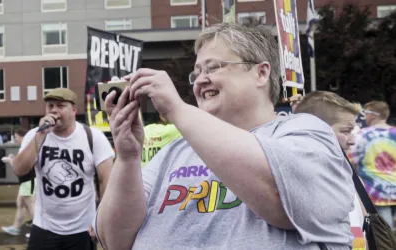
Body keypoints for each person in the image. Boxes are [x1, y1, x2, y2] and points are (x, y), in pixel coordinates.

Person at [94, 23, 355, 249]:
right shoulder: (174, 152)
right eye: (196, 73)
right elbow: (113, 240)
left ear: (261, 73)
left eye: (213, 68)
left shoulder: (306, 132)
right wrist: (128, 158)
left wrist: (177, 109)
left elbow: (278, 198)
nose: (199, 81)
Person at [12, 88, 114, 250]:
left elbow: (106, 180)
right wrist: (40, 135)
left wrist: (101, 218)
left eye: (60, 106)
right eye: (50, 106)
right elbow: (19, 169)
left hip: (82, 228)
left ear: (73, 110)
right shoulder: (34, 135)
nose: (54, 110)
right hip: (44, 227)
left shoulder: (93, 137)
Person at [293, 91, 367, 250]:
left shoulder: (353, 180)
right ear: (314, 129)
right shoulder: (292, 183)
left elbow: (362, 233)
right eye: (346, 131)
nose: (353, 140)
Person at [349, 101, 396, 231]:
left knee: (384, 233)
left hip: (376, 191)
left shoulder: (362, 135)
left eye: (366, 113)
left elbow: (351, 160)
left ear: (373, 115)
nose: (364, 117)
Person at [1, 128, 35, 238]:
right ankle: (15, 227)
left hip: (27, 180)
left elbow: (21, 166)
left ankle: (38, 231)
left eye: (16, 137)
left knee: (30, 206)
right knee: (20, 203)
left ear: (22, 137)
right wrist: (13, 158)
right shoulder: (25, 147)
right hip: (26, 181)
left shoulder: (25, 147)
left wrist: (10, 160)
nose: (15, 139)